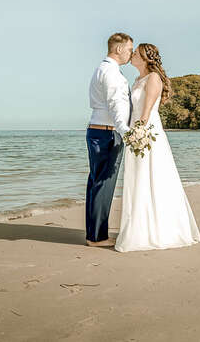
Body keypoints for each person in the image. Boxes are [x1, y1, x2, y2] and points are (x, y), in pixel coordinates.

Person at [115, 43, 200, 252]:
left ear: (145, 58)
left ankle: (159, 229)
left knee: (151, 176)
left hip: (147, 134)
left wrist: (138, 133)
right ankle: (140, 226)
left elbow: (146, 111)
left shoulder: (153, 78)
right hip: (138, 132)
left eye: (135, 53)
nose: (132, 55)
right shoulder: (137, 79)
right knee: (138, 179)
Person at [85, 33, 134, 247]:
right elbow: (116, 104)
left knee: (97, 182)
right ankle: (96, 237)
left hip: (99, 130)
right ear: (119, 49)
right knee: (103, 183)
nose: (131, 53)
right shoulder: (111, 72)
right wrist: (126, 132)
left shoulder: (102, 69)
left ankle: (95, 233)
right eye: (130, 49)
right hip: (107, 132)